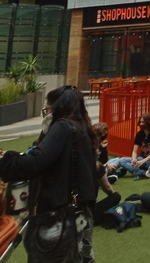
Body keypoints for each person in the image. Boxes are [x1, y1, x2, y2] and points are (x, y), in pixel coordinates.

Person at [0, 85, 97, 263]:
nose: (46, 114)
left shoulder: (62, 126)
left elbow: (36, 161)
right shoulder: (83, 129)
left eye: (47, 109)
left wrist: (5, 159)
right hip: (80, 216)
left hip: (59, 221)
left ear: (58, 108)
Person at [106, 113, 150, 180]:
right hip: (141, 159)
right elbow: (135, 151)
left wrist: (143, 161)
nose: (141, 124)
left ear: (149, 122)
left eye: (143, 122)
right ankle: (142, 173)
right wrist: (134, 160)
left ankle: (146, 172)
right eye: (140, 122)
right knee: (122, 160)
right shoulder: (139, 134)